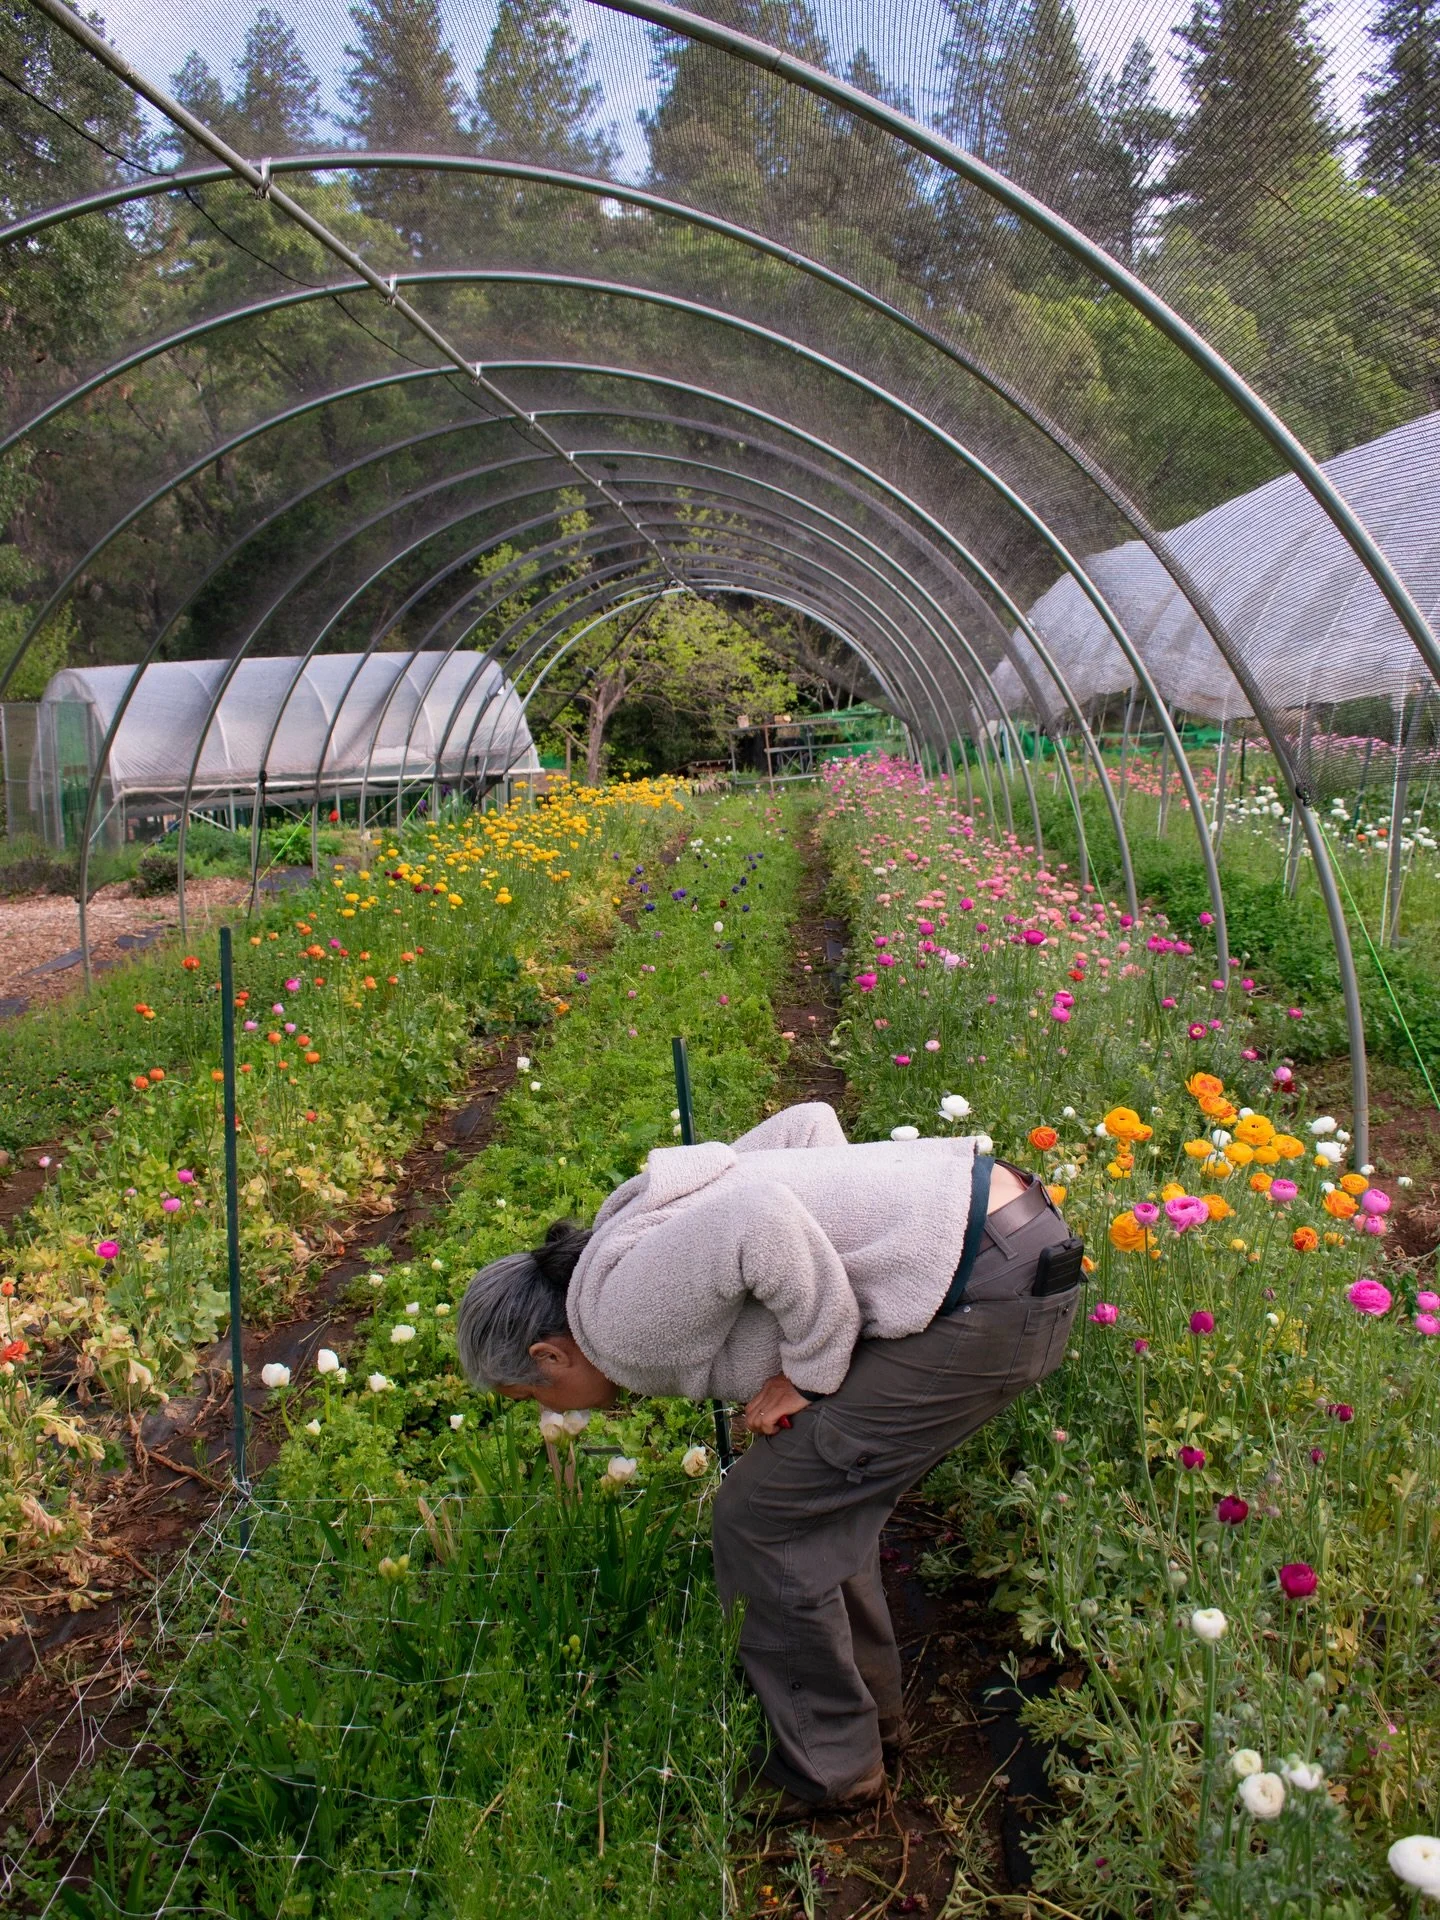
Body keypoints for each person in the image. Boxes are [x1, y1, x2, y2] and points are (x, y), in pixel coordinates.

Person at [456, 1101, 1081, 1814]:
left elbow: (761, 1216)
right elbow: (806, 1129)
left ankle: (829, 1771)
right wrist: (858, 1236)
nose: (551, 1411)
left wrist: (812, 1369)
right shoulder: (615, 1238)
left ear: (548, 1354)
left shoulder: (617, 1322)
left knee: (760, 1520)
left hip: (986, 1295)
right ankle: (870, 1723)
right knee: (809, 1495)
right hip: (1010, 1234)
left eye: (532, 1395)